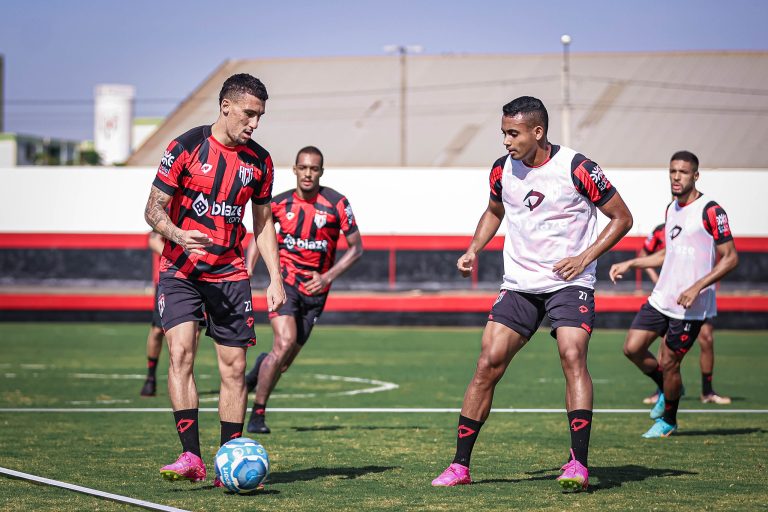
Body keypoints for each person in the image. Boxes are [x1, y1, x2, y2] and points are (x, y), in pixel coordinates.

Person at [431, 96, 633, 491]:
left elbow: (622, 218)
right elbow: (495, 211)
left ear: (537, 132)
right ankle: (460, 466)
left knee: (572, 355)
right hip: (520, 284)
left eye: (513, 133)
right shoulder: (501, 169)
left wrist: (584, 257)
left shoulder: (578, 167)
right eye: (503, 132)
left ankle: (578, 464)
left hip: (569, 282)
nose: (506, 141)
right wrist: (474, 249)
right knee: (487, 364)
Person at [143, 73, 285, 484]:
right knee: (180, 353)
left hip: (229, 272)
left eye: (260, 116)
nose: (254, 123)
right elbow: (152, 209)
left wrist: (275, 278)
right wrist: (176, 234)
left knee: (235, 368)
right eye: (249, 114)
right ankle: (191, 456)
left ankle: (229, 458)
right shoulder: (186, 146)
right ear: (225, 107)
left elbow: (263, 223)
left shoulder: (259, 161)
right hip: (180, 270)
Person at [610, 150, 738, 438]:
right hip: (662, 298)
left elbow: (731, 258)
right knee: (632, 348)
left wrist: (696, 287)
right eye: (672, 171)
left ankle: (668, 420)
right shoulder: (671, 208)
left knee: (670, 362)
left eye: (683, 172)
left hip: (690, 306)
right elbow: (669, 253)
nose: (676, 177)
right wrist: (633, 263)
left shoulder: (711, 210)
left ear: (696, 175)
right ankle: (668, 386)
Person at [244, 145, 363, 434]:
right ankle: (257, 415)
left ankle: (259, 369)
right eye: (303, 167)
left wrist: (327, 277)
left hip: (316, 293)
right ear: (295, 170)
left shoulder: (337, 203)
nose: (308, 173)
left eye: (314, 168)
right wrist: (248, 270)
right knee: (284, 343)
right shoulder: (279, 203)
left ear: (321, 172)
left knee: (282, 361)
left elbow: (356, 248)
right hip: (285, 285)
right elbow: (260, 234)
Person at [639, 223, 731, 406]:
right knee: (666, 344)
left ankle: (707, 392)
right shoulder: (661, 229)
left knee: (707, 338)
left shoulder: (701, 226)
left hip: (699, 295)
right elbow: (644, 254)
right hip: (671, 296)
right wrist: (657, 279)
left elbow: (727, 255)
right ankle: (662, 390)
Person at [140, 232, 204, 397]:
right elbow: (154, 240)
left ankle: (184, 375)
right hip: (172, 280)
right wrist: (180, 259)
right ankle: (151, 376)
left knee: (195, 332)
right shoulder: (169, 215)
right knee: (157, 330)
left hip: (201, 280)